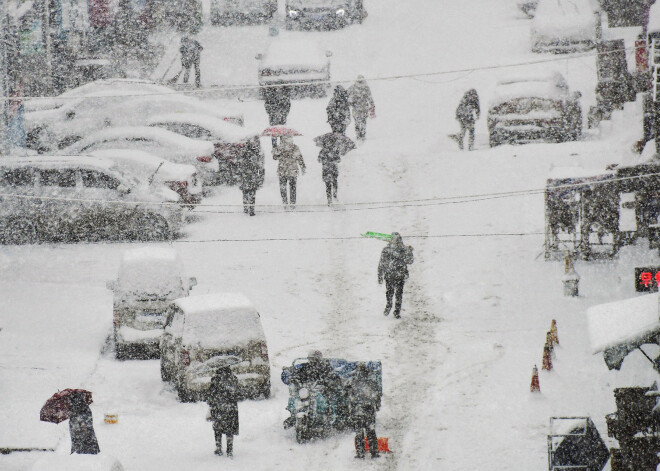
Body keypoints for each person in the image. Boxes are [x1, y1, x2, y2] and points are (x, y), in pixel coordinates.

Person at [377, 232, 414, 318]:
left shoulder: (403, 250)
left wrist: (410, 252)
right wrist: (380, 275)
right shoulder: (387, 250)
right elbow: (382, 263)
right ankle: (390, 306)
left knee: (398, 294)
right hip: (393, 275)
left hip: (398, 275)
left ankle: (396, 311)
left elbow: (410, 261)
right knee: (391, 292)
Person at [347, 364, 380, 459]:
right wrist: (376, 407)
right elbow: (376, 397)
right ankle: (374, 452)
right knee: (371, 431)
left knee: (359, 433)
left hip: (357, 412)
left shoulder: (352, 382)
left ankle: (360, 453)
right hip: (369, 411)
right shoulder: (371, 382)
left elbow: (347, 394)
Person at [206, 366, 240, 457]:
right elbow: (238, 394)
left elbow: (210, 395)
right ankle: (230, 449)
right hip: (231, 408)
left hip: (218, 408)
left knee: (218, 429)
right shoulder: (234, 379)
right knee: (230, 429)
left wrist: (211, 403)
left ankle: (218, 447)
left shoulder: (215, 380)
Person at [272, 136, 306, 209]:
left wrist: (277, 151)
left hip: (283, 170)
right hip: (292, 170)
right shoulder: (294, 147)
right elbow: (300, 157)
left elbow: (275, 157)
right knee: (292, 187)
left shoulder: (280, 147)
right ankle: (292, 204)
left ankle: (285, 203)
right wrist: (302, 167)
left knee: (283, 188)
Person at [237, 139, 265, 216]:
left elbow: (239, 165)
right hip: (252, 176)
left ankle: (246, 208)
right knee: (252, 193)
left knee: (245, 192)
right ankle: (251, 209)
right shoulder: (255, 153)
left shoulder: (242, 153)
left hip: (245, 176)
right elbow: (259, 166)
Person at [347, 75, 375, 141]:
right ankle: (362, 134)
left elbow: (346, 94)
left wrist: (350, 102)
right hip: (363, 107)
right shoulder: (366, 88)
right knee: (363, 121)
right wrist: (372, 105)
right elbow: (370, 98)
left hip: (356, 107)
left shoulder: (353, 87)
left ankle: (358, 134)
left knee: (357, 122)